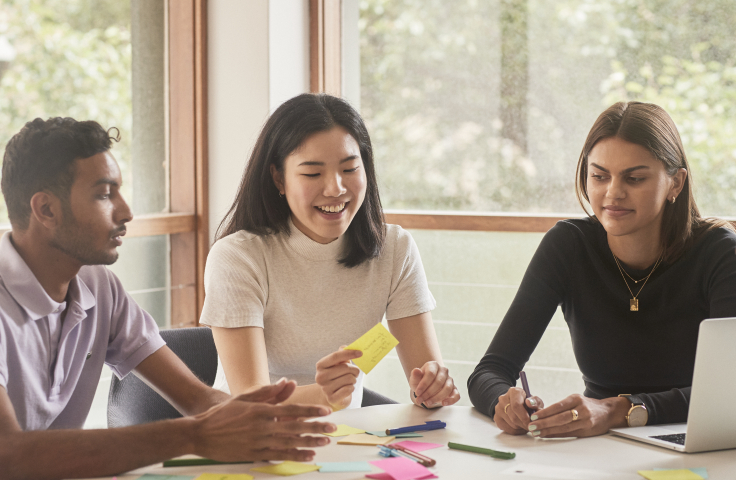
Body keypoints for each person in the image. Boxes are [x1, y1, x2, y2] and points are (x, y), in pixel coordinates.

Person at [0, 118, 337, 480]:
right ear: (46, 210)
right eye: (103, 194)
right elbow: (8, 455)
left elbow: (198, 401)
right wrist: (194, 435)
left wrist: (253, 421)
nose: (126, 211)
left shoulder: (100, 287)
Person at [468, 101, 736, 438]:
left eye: (634, 178)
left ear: (676, 184)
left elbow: (731, 393)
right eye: (599, 176)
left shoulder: (721, 253)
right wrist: (506, 403)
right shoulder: (569, 245)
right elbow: (489, 372)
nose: (613, 193)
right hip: (601, 446)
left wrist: (618, 409)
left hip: (698, 444)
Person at [199, 93, 460, 411]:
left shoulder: (394, 249)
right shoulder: (237, 258)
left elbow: (425, 381)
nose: (335, 188)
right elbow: (250, 399)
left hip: (348, 441)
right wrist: (322, 396)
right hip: (254, 442)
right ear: (278, 178)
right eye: (312, 174)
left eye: (350, 169)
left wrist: (432, 388)